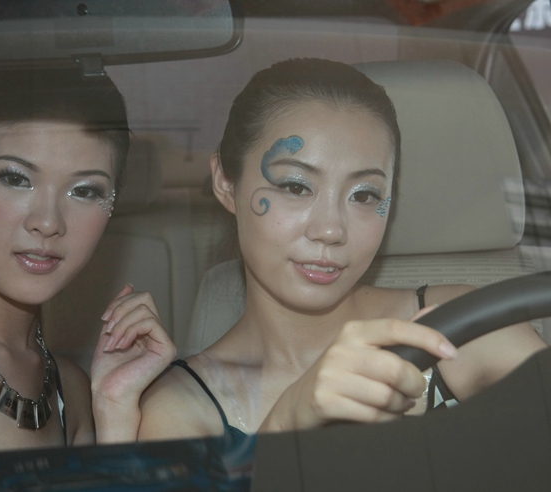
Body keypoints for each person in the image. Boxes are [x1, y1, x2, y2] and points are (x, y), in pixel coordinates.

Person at [134, 58, 547, 441]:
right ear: (226, 183)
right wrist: (285, 423)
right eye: (296, 187)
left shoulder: (458, 328)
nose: (331, 230)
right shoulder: (179, 409)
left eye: (364, 195)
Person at [0, 68, 175, 475]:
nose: (48, 222)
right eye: (16, 178)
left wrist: (113, 414)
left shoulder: (74, 393)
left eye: (85, 191)